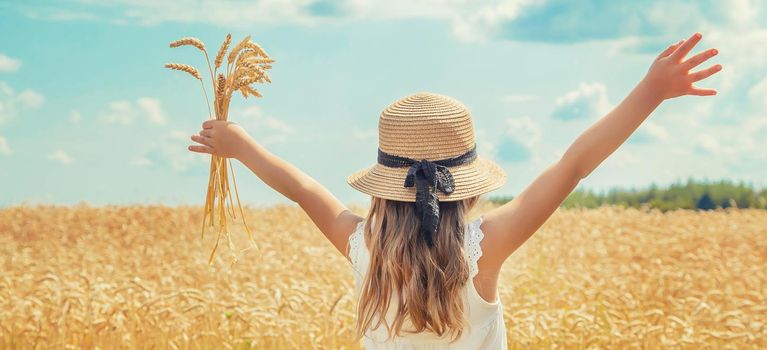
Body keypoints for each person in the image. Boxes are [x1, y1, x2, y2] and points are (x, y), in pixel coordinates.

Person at [188, 31, 721, 349]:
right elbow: (572, 166)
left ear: (384, 186)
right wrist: (650, 91)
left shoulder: (361, 246)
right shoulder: (485, 246)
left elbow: (303, 189)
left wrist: (241, 145)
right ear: (465, 185)